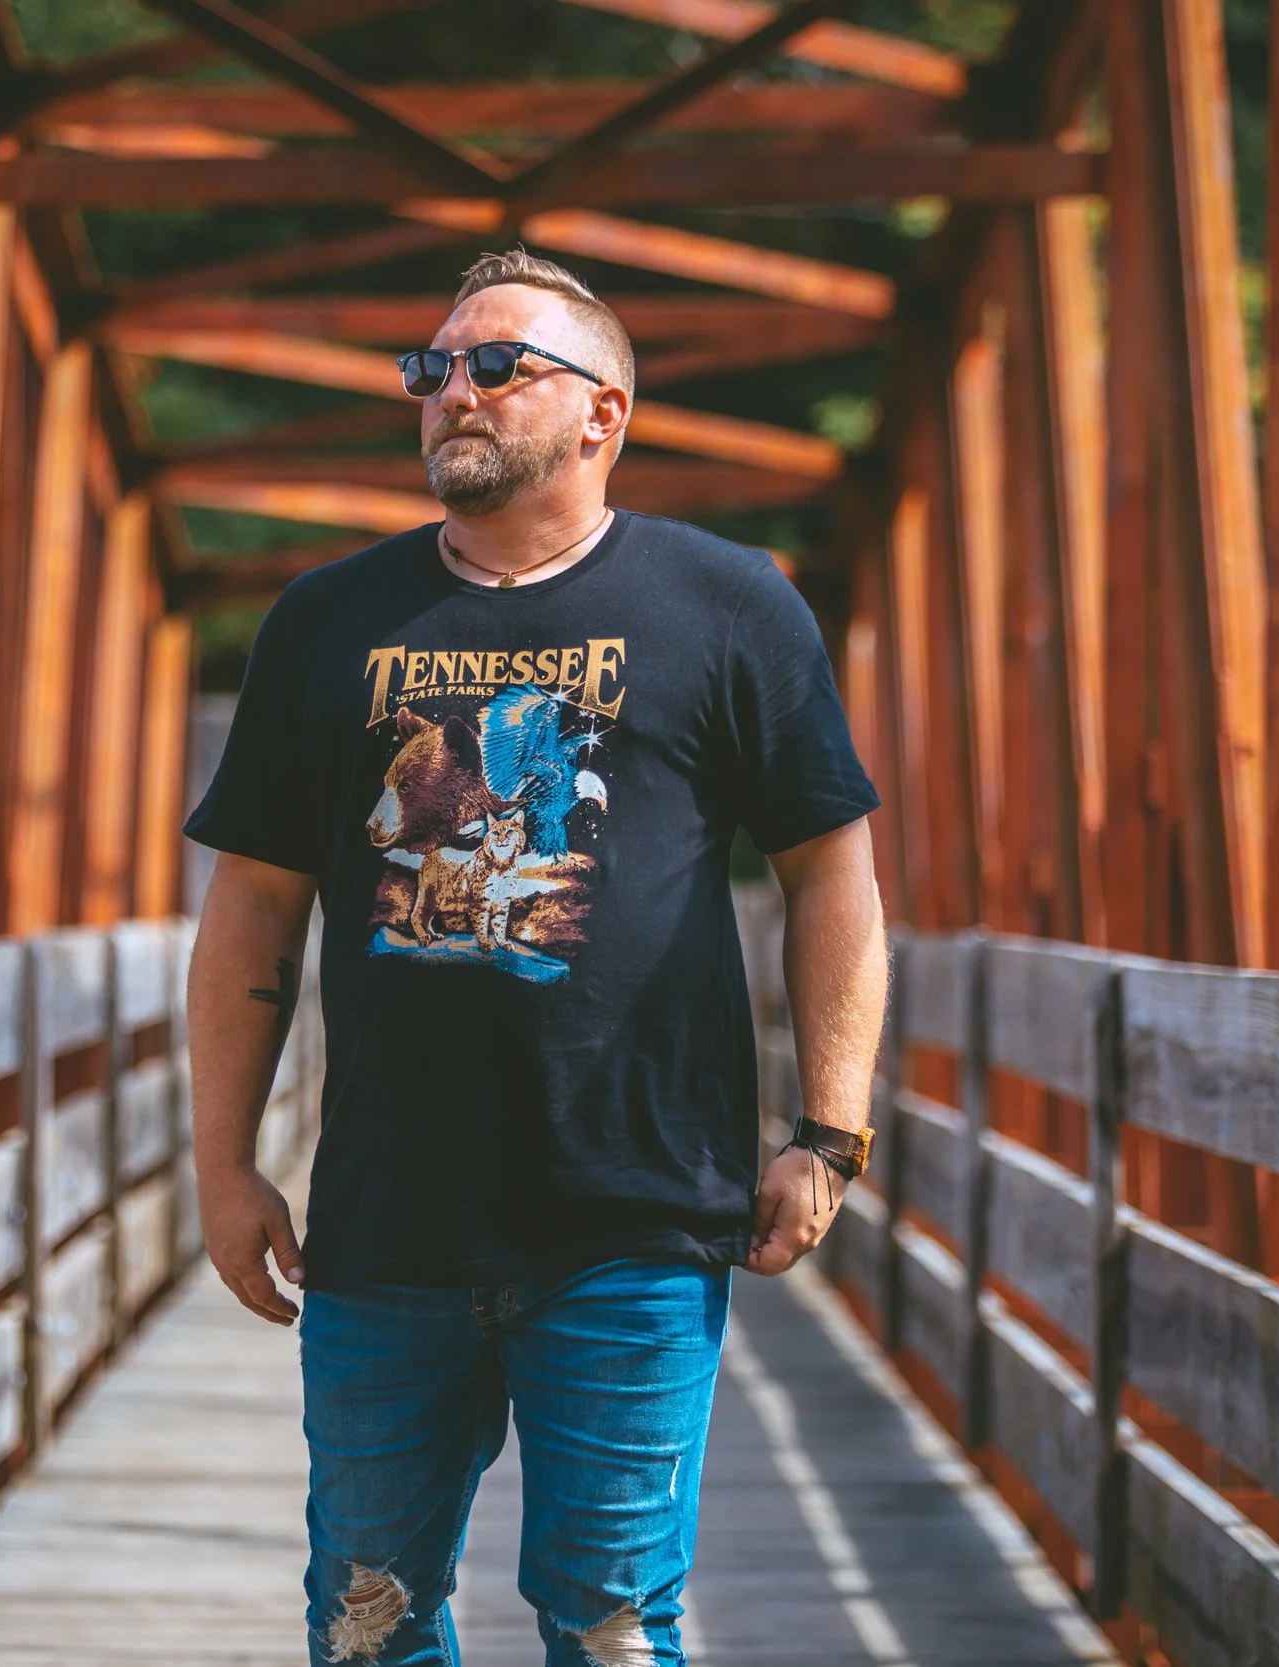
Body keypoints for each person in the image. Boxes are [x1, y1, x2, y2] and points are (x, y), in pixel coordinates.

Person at [184, 249, 889, 1667]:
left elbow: (834, 875)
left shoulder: (731, 604)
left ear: (602, 414)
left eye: (497, 364)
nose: (453, 390)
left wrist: (830, 1131)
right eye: (429, 367)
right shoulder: (329, 621)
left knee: (615, 1628)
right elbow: (254, 908)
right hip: (385, 1223)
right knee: (366, 1626)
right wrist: (222, 1158)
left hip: (633, 1218)